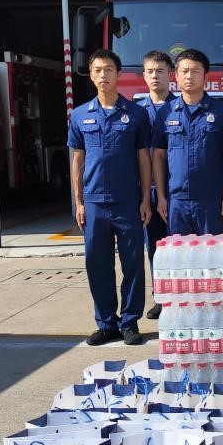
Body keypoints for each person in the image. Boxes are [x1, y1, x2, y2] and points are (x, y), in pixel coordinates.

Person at [67, 49, 154, 346]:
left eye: (108, 69)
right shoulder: (80, 115)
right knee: (97, 264)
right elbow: (78, 160)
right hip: (94, 203)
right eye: (97, 70)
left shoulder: (137, 114)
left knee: (133, 264)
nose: (103, 75)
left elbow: (144, 159)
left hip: (128, 201)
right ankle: (106, 324)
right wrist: (79, 202)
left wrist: (145, 199)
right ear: (91, 75)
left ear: (118, 74)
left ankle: (129, 322)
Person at [151, 48, 223, 236]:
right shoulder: (166, 112)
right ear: (176, 76)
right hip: (177, 201)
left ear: (205, 77)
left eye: (195, 71)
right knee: (180, 252)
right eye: (184, 71)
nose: (189, 76)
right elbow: (158, 156)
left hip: (212, 200)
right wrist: (161, 196)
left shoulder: (222, 112)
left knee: (211, 252)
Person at [138, 49, 174, 320]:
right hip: (147, 189)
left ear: (170, 75)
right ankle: (160, 296)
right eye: (150, 71)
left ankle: (181, 295)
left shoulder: (180, 106)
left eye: (160, 71)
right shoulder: (136, 111)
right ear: (143, 75)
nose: (155, 76)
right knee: (154, 245)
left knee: (180, 245)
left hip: (178, 188)